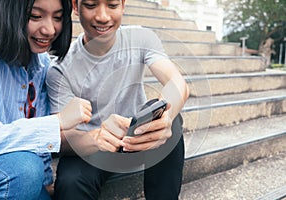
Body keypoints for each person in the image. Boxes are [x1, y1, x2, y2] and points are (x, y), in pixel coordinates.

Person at [46, 0, 189, 199]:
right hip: (90, 147)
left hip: (136, 136)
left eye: (112, 5)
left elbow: (176, 82)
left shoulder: (141, 38)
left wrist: (166, 119)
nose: (103, 16)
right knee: (70, 182)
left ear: (123, 5)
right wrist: (96, 138)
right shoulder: (60, 68)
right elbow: (60, 137)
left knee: (169, 118)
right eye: (90, 5)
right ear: (76, 7)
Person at [0, 0, 92, 199]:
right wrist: (58, 121)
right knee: (25, 171)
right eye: (35, 16)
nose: (50, 29)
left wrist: (45, 179)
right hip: (10, 170)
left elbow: (35, 139)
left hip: (15, 170)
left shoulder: (41, 63)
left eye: (58, 18)